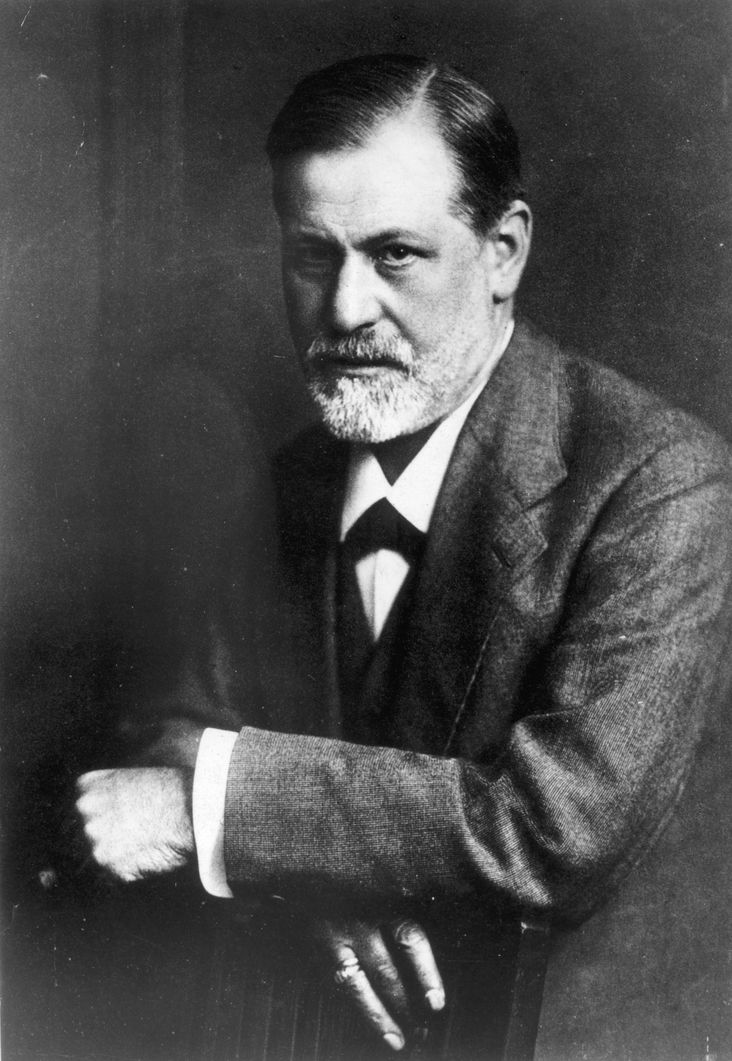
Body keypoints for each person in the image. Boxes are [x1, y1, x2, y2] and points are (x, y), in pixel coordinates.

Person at [71, 55, 732, 1057]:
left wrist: (214, 813)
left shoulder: (658, 480)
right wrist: (308, 875)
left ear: (504, 251)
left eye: (395, 256)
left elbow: (558, 827)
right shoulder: (290, 479)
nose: (344, 309)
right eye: (312, 255)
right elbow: (170, 730)